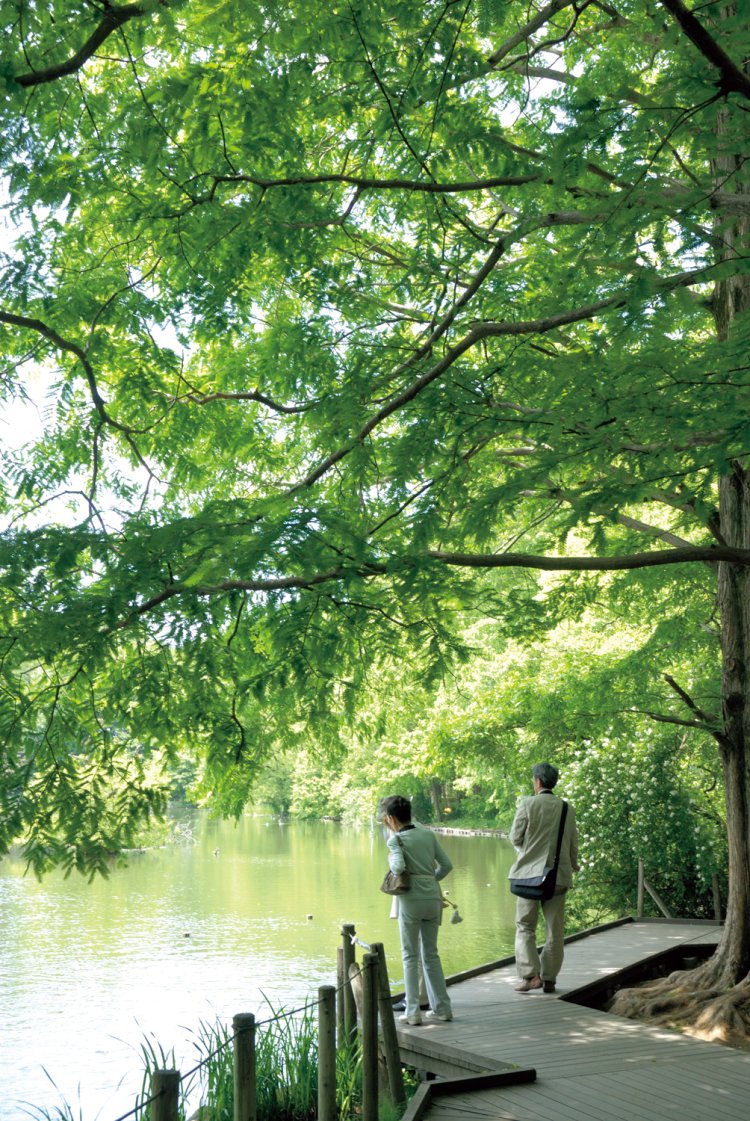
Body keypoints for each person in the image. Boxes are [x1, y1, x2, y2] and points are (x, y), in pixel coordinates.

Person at [380, 794, 454, 1025]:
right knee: (431, 954)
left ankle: (412, 1012)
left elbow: (398, 867)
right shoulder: (428, 834)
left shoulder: (396, 839)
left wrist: (393, 850)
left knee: (410, 956)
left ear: (391, 818)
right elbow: (447, 865)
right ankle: (442, 1008)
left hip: (411, 900)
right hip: (433, 897)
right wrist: (430, 879)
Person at [508, 762, 579, 994]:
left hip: (530, 876)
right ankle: (549, 979)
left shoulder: (527, 804)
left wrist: (528, 853)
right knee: (554, 930)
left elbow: (515, 838)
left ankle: (530, 976)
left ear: (537, 781)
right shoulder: (567, 809)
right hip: (559, 876)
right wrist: (573, 864)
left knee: (525, 926)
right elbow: (572, 844)